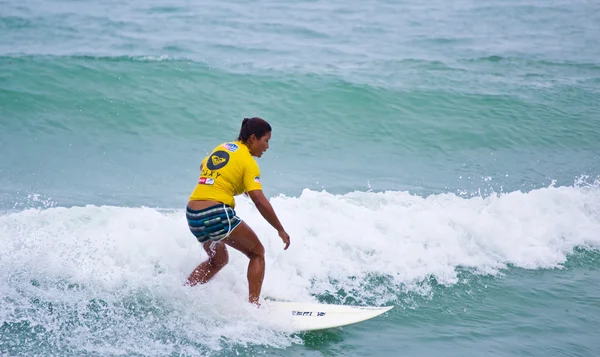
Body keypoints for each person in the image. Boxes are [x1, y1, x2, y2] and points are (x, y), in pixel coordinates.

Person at [185, 117, 291, 306]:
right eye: (266, 141)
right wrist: (280, 229)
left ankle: (184, 293)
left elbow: (204, 166)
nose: (267, 147)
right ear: (252, 139)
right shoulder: (248, 162)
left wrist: (233, 184)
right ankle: (254, 307)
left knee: (218, 260)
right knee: (257, 253)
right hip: (216, 212)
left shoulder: (224, 147)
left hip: (193, 215)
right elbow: (259, 199)